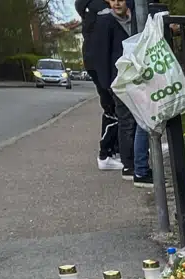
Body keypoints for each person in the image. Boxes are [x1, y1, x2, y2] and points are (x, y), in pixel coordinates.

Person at [84, 0, 151, 188]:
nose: (117, 3)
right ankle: (129, 166)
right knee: (127, 122)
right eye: (113, 0)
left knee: (136, 119)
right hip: (119, 80)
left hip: (134, 77)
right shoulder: (105, 22)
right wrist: (107, 85)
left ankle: (135, 163)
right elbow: (101, 55)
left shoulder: (135, 18)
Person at [75, 0, 120, 171]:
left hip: (98, 62)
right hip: (100, 64)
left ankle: (115, 150)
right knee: (112, 108)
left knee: (115, 107)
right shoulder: (99, 9)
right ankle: (106, 154)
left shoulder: (93, 7)